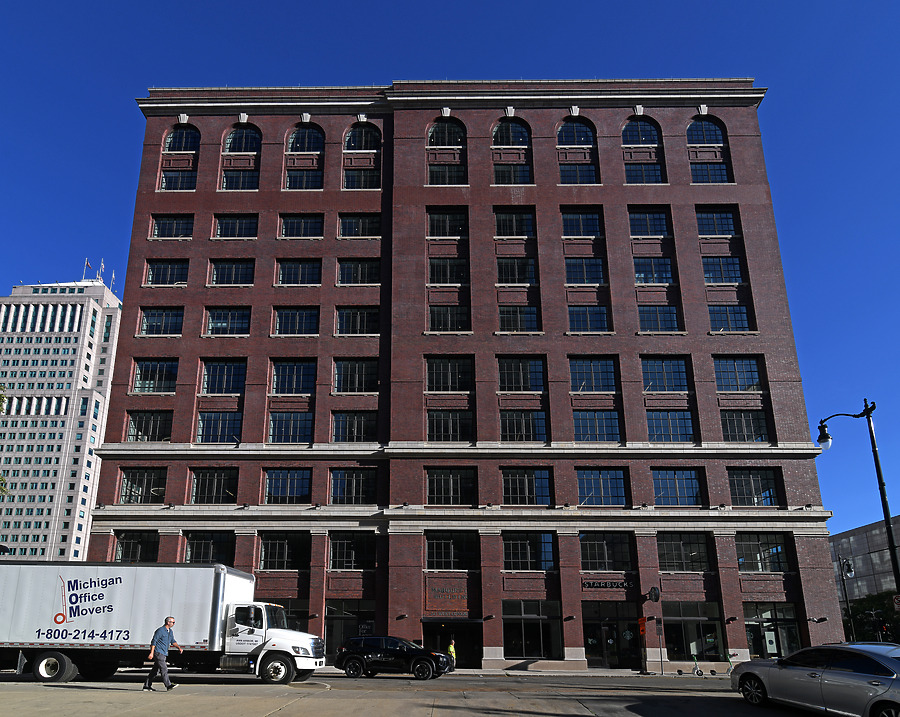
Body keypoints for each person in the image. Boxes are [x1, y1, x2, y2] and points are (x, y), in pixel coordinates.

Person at [143, 616, 183, 691]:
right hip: (158, 652)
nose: (174, 624)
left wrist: (179, 648)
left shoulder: (170, 631)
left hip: (164, 653)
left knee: (155, 670)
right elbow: (154, 641)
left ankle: (146, 686)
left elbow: (173, 641)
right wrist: (151, 653)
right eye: (173, 622)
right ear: (168, 622)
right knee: (164, 668)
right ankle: (168, 685)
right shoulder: (160, 631)